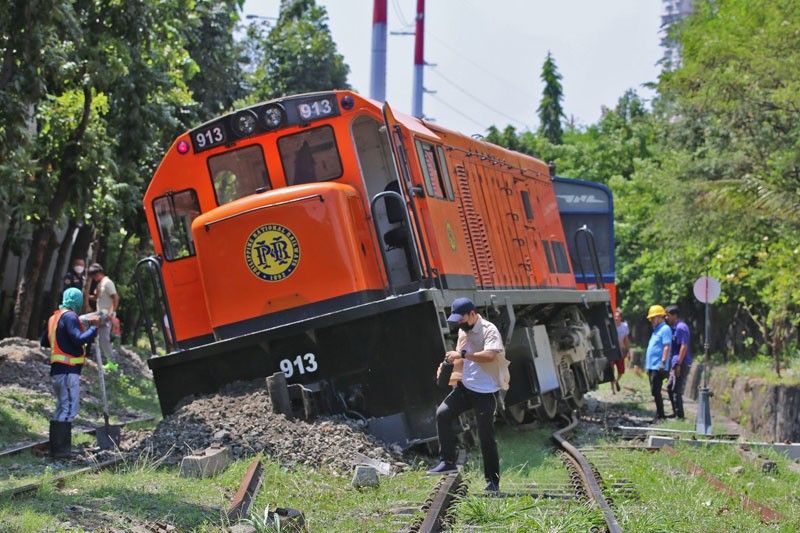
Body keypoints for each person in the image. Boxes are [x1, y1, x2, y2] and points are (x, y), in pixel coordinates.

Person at [427, 297, 510, 494]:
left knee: (486, 437)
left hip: (485, 392)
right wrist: (449, 364)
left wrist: (463, 355)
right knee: (442, 414)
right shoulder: (463, 332)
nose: (459, 324)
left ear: (472, 314)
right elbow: (461, 357)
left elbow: (490, 355)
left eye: (461, 319)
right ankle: (447, 461)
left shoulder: (489, 330)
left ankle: (493, 482)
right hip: (465, 387)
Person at [40, 288, 99, 458]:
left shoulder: (55, 317)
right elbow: (79, 339)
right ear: (77, 301)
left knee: (61, 407)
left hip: (57, 371)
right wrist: (94, 328)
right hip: (67, 371)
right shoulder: (70, 316)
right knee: (69, 408)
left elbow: (44, 341)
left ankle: (57, 448)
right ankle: (61, 450)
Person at [86, 263, 119, 371]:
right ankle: (112, 363)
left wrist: (112, 313)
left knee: (83, 320)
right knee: (104, 340)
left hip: (105, 314)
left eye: (94, 276)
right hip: (101, 313)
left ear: (99, 273)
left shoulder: (108, 283)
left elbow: (115, 297)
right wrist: (88, 296)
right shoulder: (100, 284)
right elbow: (97, 298)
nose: (94, 279)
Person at [644, 304, 672, 420]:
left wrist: (663, 362)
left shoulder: (665, 329)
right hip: (652, 365)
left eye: (653, 317)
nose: (651, 320)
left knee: (656, 391)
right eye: (650, 318)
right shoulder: (656, 330)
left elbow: (666, 346)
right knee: (654, 391)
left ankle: (660, 415)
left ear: (661, 317)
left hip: (658, 366)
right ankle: (659, 414)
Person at [665, 305, 692, 419]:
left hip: (681, 363)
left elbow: (684, 346)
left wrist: (679, 364)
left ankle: (680, 415)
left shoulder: (681, 327)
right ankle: (676, 412)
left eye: (668, 315)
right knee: (670, 387)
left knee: (676, 389)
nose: (666, 318)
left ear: (674, 315)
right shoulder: (674, 327)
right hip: (675, 362)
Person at [613, 309, 630, 393]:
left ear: (621, 317)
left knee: (621, 370)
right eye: (615, 316)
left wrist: (628, 351)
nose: (616, 318)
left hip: (621, 350)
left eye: (618, 316)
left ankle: (616, 381)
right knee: (611, 368)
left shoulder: (624, 326)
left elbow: (626, 339)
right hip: (612, 350)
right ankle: (613, 389)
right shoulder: (611, 325)